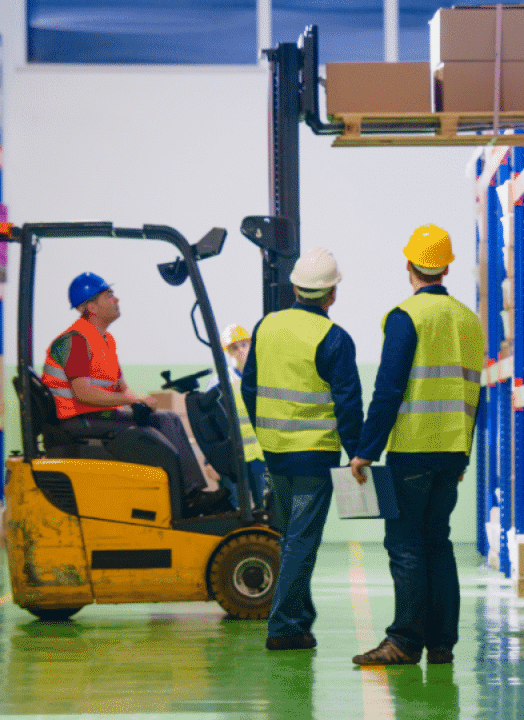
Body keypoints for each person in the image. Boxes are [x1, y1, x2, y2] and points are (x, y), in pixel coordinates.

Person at [349, 224, 484, 666]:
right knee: (438, 544)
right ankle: (441, 643)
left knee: (405, 545)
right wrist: (463, 452)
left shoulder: (405, 317)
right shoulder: (469, 320)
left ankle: (404, 641)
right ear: (445, 267)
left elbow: (388, 390)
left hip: (411, 451)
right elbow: (474, 391)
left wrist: (366, 449)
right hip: (451, 454)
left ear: (409, 265)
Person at [242, 247, 363, 651]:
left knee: (291, 536)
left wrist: (265, 434)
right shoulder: (335, 339)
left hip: (275, 452)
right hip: (314, 455)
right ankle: (284, 627)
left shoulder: (266, 327)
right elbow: (348, 404)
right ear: (332, 294)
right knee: (300, 539)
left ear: (294, 287)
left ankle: (299, 617)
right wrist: (357, 453)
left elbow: (249, 385)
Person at [41, 272, 232, 517]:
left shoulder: (104, 340)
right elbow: (83, 393)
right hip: (79, 422)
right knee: (162, 423)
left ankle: (189, 494)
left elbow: (122, 386)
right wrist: (131, 401)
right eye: (108, 295)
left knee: (167, 418)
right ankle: (190, 495)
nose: (116, 299)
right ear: (91, 307)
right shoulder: (76, 341)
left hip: (97, 416)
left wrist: (140, 400)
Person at [215, 323, 268, 509]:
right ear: (228, 352)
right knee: (236, 504)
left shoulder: (262, 376)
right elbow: (213, 420)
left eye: (244, 345)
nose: (240, 351)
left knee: (262, 499)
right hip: (233, 454)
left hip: (258, 454)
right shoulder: (221, 381)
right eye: (234, 347)